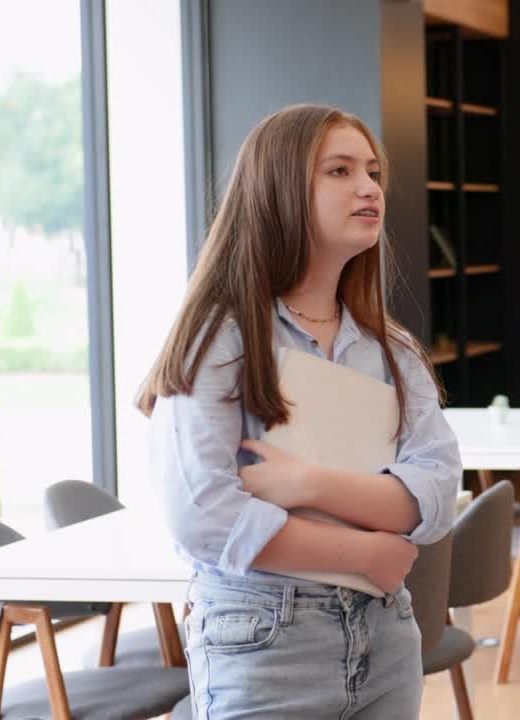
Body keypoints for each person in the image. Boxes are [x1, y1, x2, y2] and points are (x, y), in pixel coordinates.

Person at [138, 104, 460, 719]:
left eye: (372, 172)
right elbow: (202, 513)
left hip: (386, 635)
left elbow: (438, 493)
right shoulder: (221, 337)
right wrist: (366, 552)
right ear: (280, 190)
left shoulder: (392, 348)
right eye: (339, 171)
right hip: (263, 635)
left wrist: (310, 485)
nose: (368, 187)